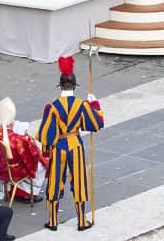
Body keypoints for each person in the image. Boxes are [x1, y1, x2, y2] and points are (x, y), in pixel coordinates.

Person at [38, 56, 104, 232]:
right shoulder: (82, 105)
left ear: (60, 86)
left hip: (59, 146)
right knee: (80, 180)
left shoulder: (51, 107)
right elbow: (95, 124)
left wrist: (46, 149)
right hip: (75, 144)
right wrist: (95, 105)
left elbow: (46, 133)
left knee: (55, 181)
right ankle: (82, 220)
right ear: (74, 86)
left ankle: (52, 220)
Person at [0, 98, 46, 203]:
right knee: (41, 165)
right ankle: (26, 193)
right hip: (13, 170)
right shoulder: (16, 139)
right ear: (11, 123)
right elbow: (29, 157)